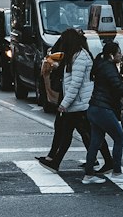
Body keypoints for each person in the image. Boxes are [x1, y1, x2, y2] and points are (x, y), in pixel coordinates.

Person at [36, 29, 111, 173]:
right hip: (77, 104)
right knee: (69, 133)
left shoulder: (80, 57)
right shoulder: (75, 56)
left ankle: (108, 161)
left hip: (80, 104)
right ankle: (56, 161)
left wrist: (64, 104)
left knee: (89, 134)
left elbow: (75, 85)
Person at [82, 39, 123, 184]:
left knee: (95, 142)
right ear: (112, 55)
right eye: (119, 53)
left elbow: (115, 85)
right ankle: (116, 172)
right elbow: (119, 89)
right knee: (120, 138)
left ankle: (88, 175)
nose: (121, 55)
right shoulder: (109, 68)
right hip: (103, 109)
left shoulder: (102, 65)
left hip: (95, 108)